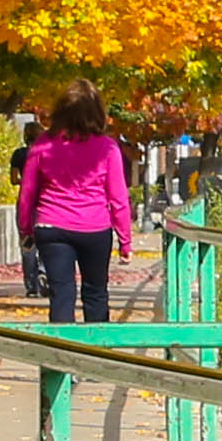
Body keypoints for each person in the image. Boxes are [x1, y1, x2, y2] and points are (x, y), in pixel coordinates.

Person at [15, 91, 138, 323]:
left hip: (52, 224)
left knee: (61, 293)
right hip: (95, 228)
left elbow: (27, 193)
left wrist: (26, 230)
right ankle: (96, 343)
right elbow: (118, 197)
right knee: (96, 293)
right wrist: (125, 241)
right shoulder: (107, 147)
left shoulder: (43, 145)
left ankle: (62, 345)